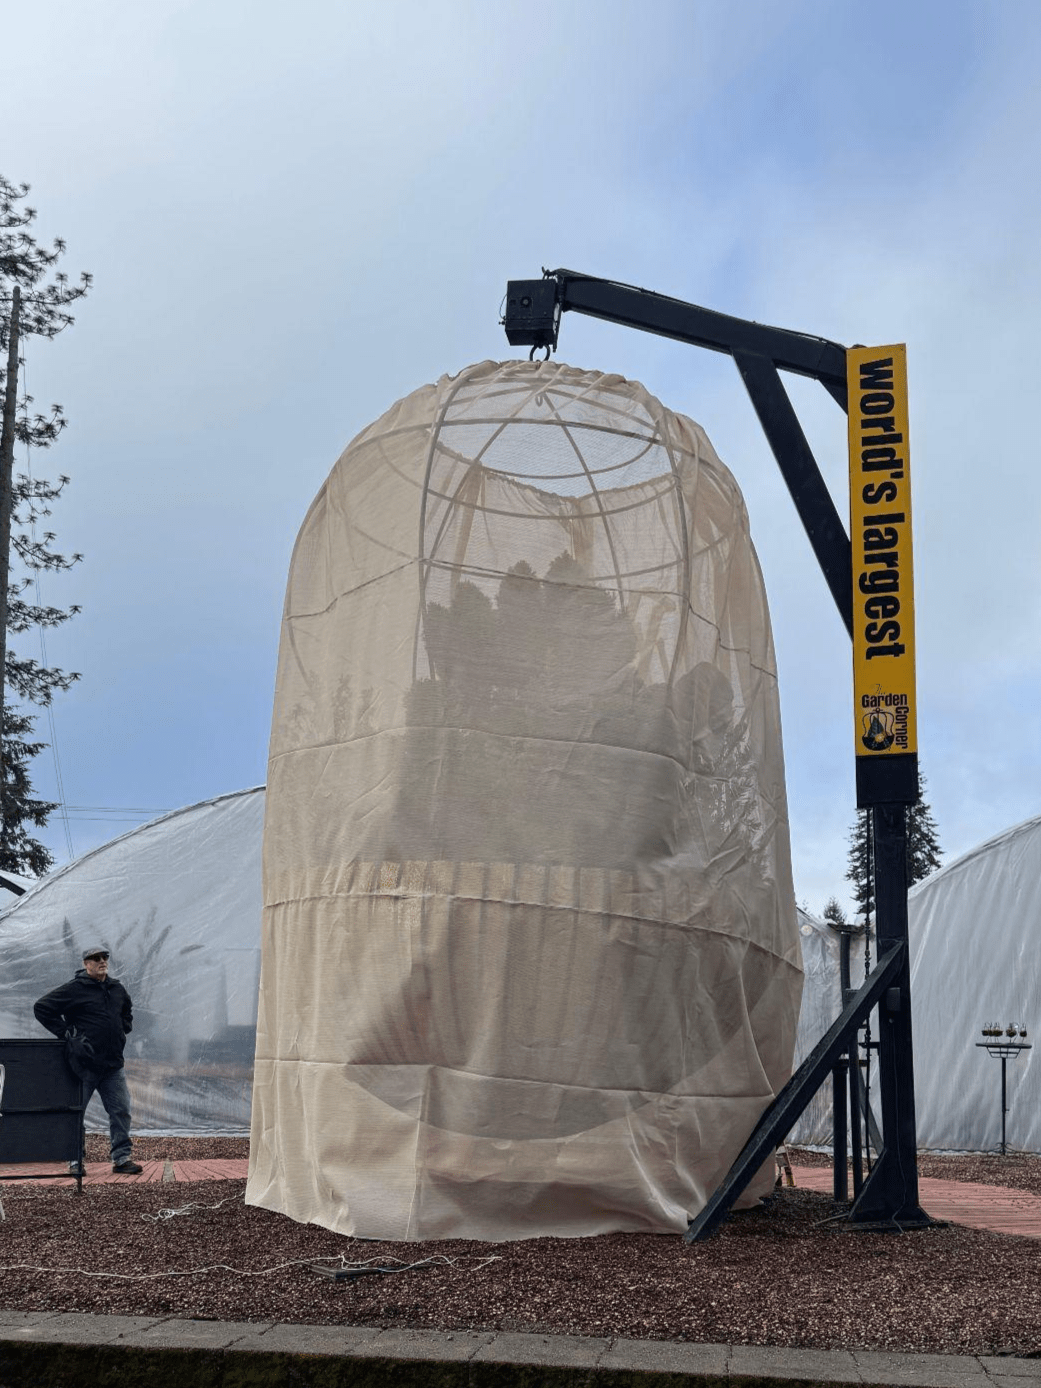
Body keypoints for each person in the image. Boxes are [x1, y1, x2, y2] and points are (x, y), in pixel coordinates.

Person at [34, 947, 143, 1175]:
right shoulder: (74, 989)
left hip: (113, 1066)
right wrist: (66, 1033)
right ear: (86, 964)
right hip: (83, 1066)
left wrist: (122, 1029)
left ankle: (122, 1159)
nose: (102, 961)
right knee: (76, 1113)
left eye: (104, 957)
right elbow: (42, 1007)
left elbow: (127, 1011)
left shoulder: (117, 988)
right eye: (96, 958)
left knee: (121, 1111)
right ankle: (75, 1160)